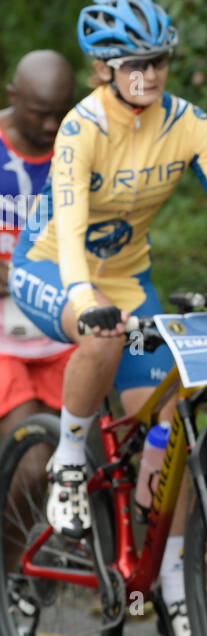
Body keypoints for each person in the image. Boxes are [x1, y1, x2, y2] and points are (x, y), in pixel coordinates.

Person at [10, 0, 207, 636]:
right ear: (104, 69)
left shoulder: (190, 124)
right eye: (132, 64)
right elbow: (72, 224)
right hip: (54, 268)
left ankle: (168, 583)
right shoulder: (81, 127)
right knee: (101, 334)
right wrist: (81, 295)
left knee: (172, 432)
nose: (148, 75)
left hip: (131, 279)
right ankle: (73, 462)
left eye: (158, 62)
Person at [0, 51, 76, 439]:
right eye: (39, 112)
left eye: (61, 112)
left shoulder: (79, 147)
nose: (51, 124)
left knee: (66, 459)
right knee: (29, 456)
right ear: (12, 96)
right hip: (3, 336)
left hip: (57, 321)